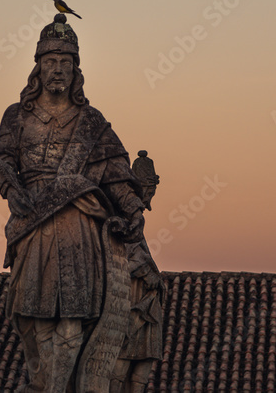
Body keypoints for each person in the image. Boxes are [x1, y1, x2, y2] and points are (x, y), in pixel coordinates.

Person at [0, 14, 145, 392]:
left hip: (79, 225)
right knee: (33, 319)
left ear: (76, 70)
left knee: (73, 319)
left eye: (65, 62)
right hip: (33, 223)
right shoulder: (17, 116)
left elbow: (116, 173)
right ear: (38, 68)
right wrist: (13, 191)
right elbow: (0, 160)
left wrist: (132, 209)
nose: (57, 69)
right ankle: (45, 383)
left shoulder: (91, 122)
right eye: (50, 61)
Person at [110, 151, 164, 393]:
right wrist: (144, 269)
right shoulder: (122, 218)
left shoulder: (137, 221)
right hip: (128, 303)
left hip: (147, 304)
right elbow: (115, 259)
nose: (150, 196)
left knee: (143, 369)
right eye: (149, 190)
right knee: (120, 367)